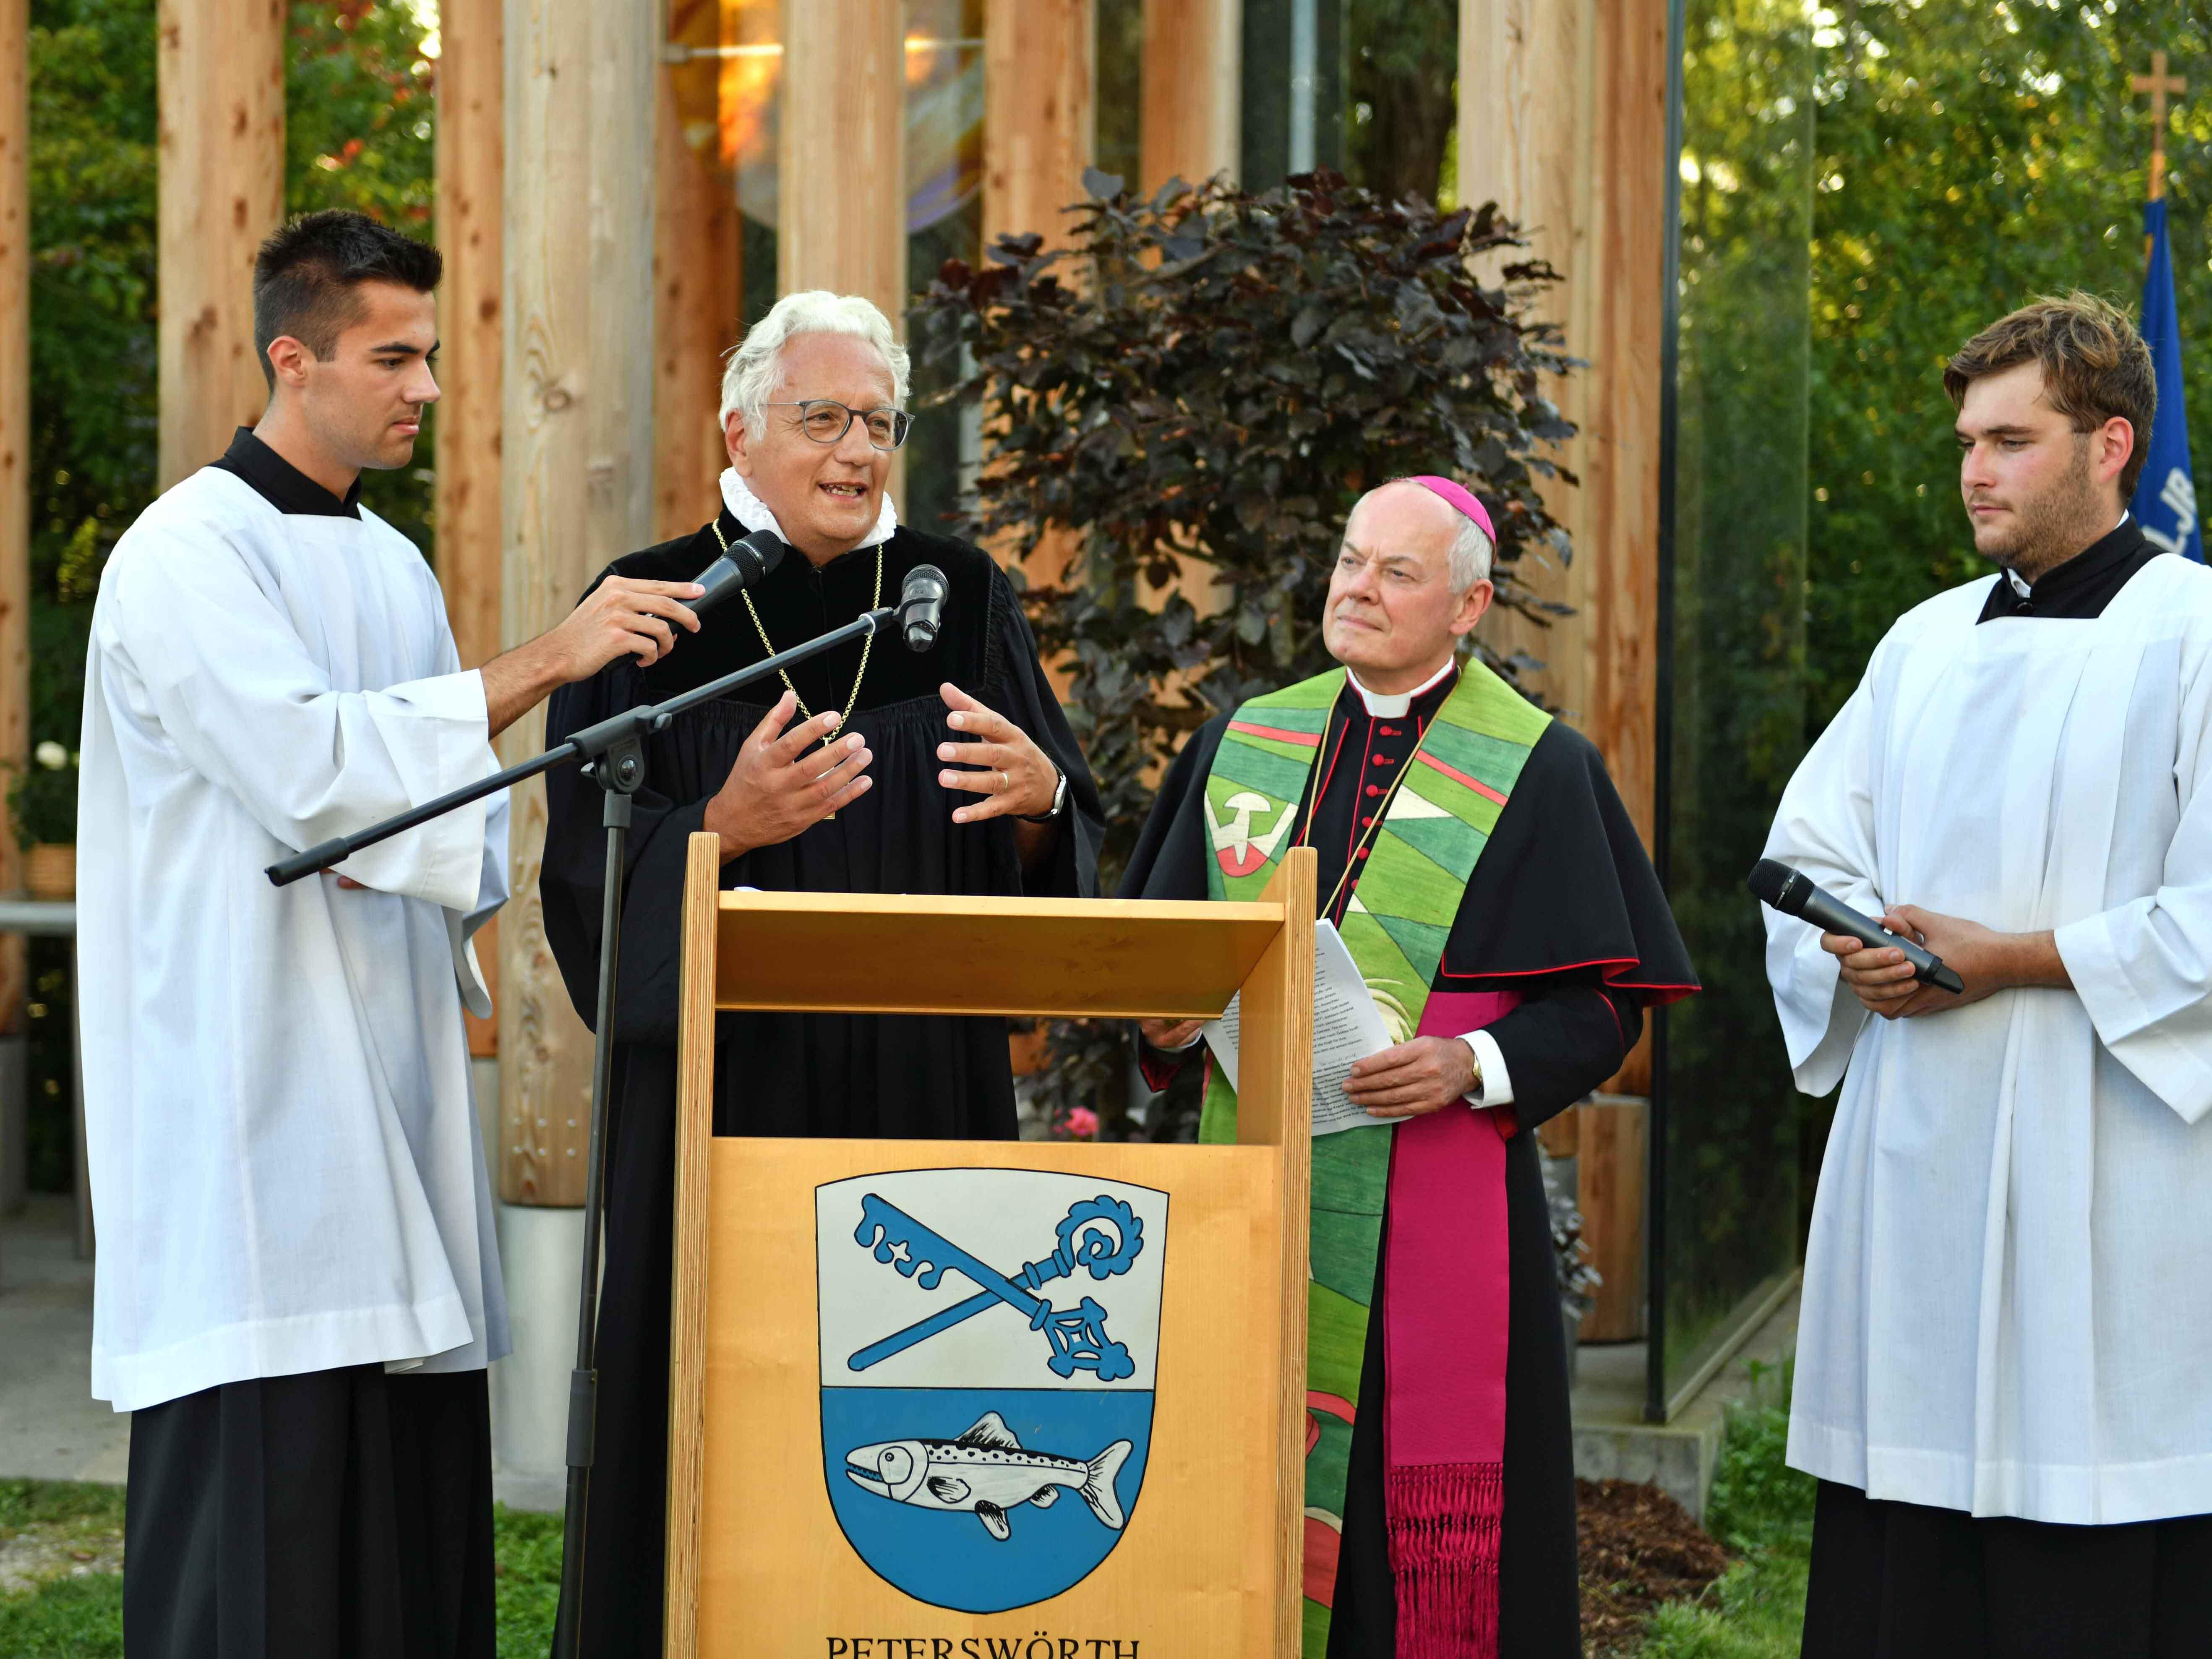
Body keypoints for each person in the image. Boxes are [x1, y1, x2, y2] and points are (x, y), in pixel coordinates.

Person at [79, 209, 712, 1659]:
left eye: (430, 354)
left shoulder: (393, 563)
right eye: (394, 357)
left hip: (393, 1077)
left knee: (406, 1494)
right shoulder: (185, 554)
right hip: (244, 1084)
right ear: (292, 359)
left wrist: (385, 812)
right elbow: (318, 784)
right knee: (267, 1503)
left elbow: (434, 818)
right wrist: (554, 653)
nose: (425, 386)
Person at [539, 288, 1103, 1656]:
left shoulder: (957, 596)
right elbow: (577, 885)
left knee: (916, 1405)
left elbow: (1053, 824)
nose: (858, 449)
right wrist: (716, 830)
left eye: (879, 422)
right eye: (823, 418)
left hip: (922, 1080)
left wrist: (1043, 799)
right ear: (739, 427)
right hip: (729, 1087)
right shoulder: (649, 609)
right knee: (718, 1393)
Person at [1118, 477, 1695, 1657]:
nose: (1357, 587)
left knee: (1416, 1529)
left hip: (1441, 1199)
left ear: (1471, 603)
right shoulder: (1248, 743)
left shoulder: (1540, 768)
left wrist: (1471, 1062)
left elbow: (1605, 1005)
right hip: (1262, 1193)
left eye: (1398, 571)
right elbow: (1158, 952)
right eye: (1349, 559)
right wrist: (1162, 1023)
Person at [1762, 292, 2212, 1659]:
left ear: (2111, 445)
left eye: (2012, 440)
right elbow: (1810, 836)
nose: (1974, 470)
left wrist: (2011, 957)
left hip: (2111, 1143)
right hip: (1918, 1154)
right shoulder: (1923, 641)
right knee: (1912, 1510)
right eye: (1967, 439)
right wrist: (1852, 940)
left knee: (2086, 1491)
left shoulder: (2195, 631)